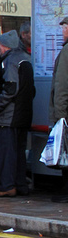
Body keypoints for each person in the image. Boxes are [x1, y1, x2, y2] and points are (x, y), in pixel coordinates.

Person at [0, 30, 35, 197]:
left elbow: (10, 88)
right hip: (24, 115)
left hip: (9, 116)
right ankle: (20, 184)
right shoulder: (26, 59)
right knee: (19, 152)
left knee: (6, 153)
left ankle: (7, 186)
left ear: (6, 46)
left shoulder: (10, 62)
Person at [48, 16, 68, 203]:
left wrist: (60, 117)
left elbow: (61, 86)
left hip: (66, 115)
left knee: (65, 152)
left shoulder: (67, 51)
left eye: (64, 27)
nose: (62, 31)